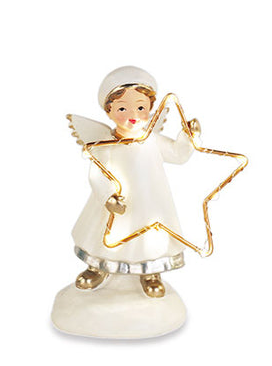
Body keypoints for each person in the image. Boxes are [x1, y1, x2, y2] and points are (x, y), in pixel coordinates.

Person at [71, 66, 197, 297]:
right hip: (118, 203)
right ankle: (98, 266)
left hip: (150, 203)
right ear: (109, 111)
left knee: (150, 238)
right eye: (122, 108)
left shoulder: (153, 140)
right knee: (105, 234)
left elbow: (177, 155)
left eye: (141, 107)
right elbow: (97, 174)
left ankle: (150, 271)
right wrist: (108, 197)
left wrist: (188, 138)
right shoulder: (106, 144)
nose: (133, 115)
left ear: (150, 108)